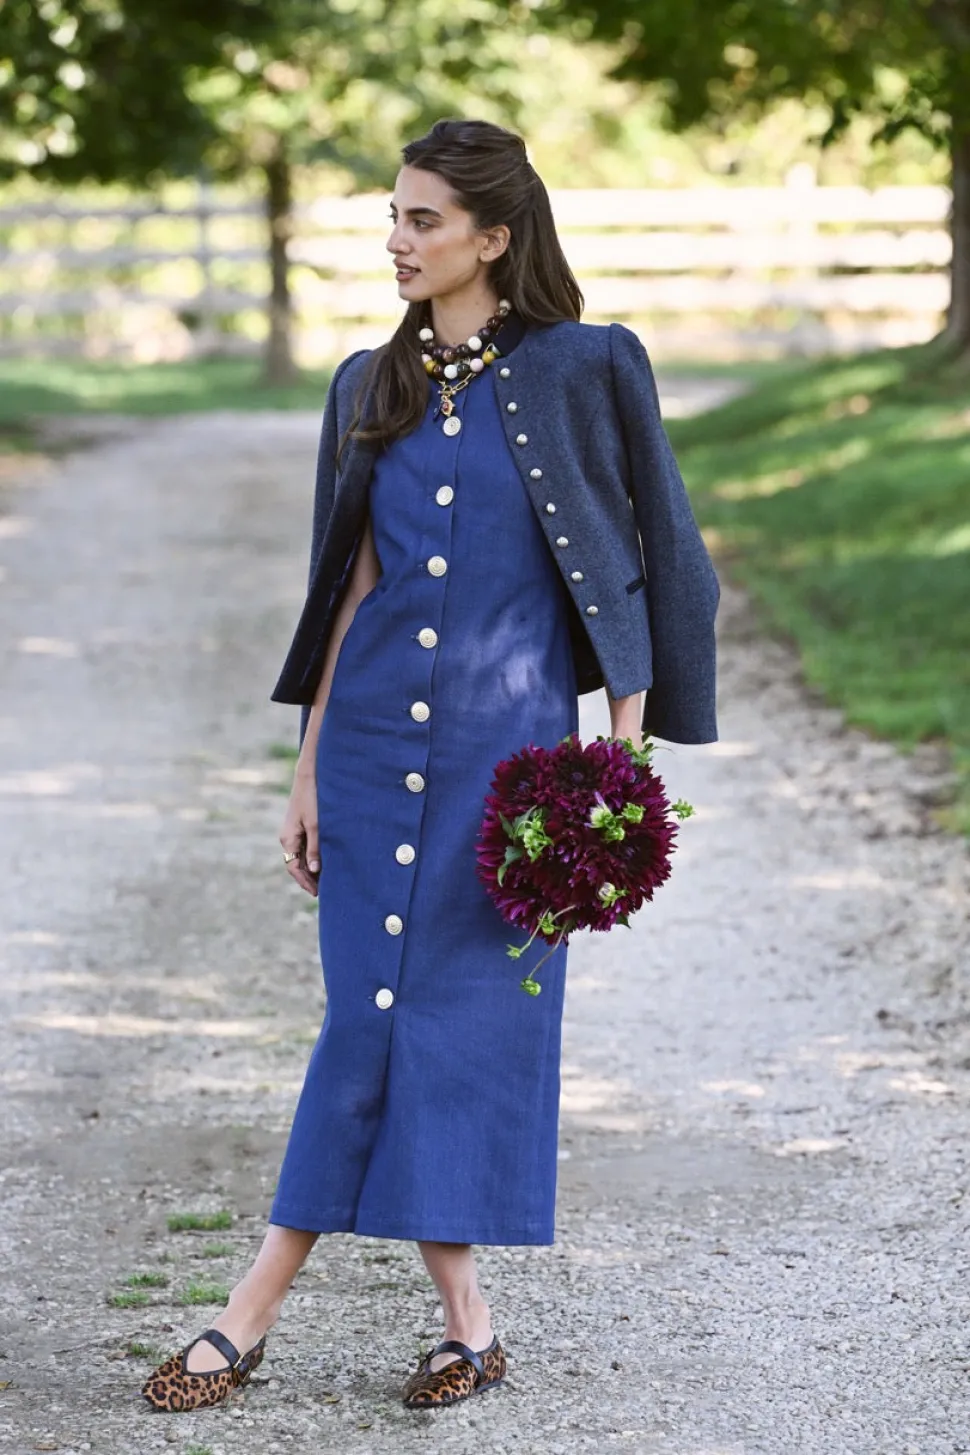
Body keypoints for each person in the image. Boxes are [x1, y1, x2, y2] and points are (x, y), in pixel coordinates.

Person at [142, 117, 719, 1416]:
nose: (396, 241)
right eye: (392, 218)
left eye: (422, 220)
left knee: (460, 1033)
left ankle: (267, 1315)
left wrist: (620, 767)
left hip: (510, 777)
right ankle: (433, 1324)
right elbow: (344, 592)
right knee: (369, 1017)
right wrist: (305, 772)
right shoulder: (368, 384)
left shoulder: (588, 368)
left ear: (493, 237)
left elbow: (652, 562)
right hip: (366, 751)